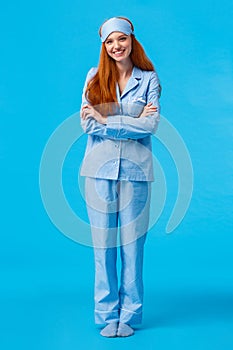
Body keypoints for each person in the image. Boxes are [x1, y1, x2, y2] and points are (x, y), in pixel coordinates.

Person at [80, 16, 161, 337]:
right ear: (104, 46)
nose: (116, 46)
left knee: (132, 245)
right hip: (98, 171)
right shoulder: (94, 76)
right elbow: (87, 124)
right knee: (103, 245)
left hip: (137, 173)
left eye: (121, 40)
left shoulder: (149, 79)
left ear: (132, 40)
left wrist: (106, 117)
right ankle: (105, 313)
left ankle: (129, 314)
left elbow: (151, 126)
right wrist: (130, 122)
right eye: (109, 42)